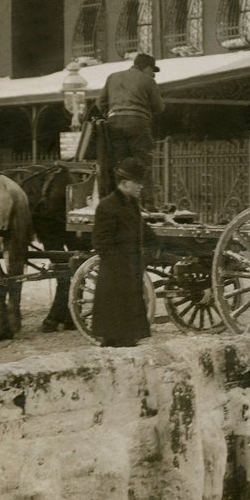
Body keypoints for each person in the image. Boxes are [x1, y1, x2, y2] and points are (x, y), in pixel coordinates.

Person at [92, 158, 157, 347]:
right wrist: (121, 265)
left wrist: (158, 243)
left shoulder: (131, 204)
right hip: (115, 274)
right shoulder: (107, 206)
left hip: (129, 270)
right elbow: (101, 242)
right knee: (114, 332)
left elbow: (141, 228)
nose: (141, 187)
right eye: (137, 183)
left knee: (128, 334)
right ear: (124, 183)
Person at [96, 53, 163, 196]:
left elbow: (100, 102)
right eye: (152, 71)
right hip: (137, 123)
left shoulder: (112, 77)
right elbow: (159, 107)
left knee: (120, 164)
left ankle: (119, 199)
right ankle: (148, 203)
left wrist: (112, 113)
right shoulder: (148, 81)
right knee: (143, 162)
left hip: (114, 123)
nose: (153, 75)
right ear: (146, 67)